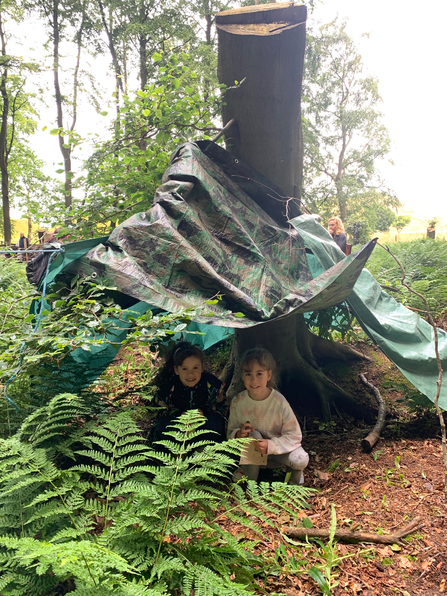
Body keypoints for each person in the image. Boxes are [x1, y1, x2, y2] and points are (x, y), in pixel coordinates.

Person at [227, 347, 309, 485]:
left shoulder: (278, 401)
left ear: (269, 375)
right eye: (248, 374)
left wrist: (270, 445)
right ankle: (250, 481)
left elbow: (294, 436)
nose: (254, 380)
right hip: (252, 454)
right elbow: (230, 433)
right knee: (254, 435)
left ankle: (294, 483)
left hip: (278, 453)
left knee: (300, 459)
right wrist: (238, 434)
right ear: (242, 376)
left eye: (259, 374)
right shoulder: (238, 401)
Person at [153, 341, 227, 443]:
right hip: (179, 428)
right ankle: (178, 452)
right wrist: (179, 415)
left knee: (216, 423)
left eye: (195, 368)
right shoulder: (170, 387)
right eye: (185, 369)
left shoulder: (212, 384)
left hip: (203, 427)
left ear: (202, 367)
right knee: (163, 426)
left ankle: (202, 450)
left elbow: (222, 406)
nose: (190, 374)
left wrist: (204, 412)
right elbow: (158, 410)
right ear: (176, 370)